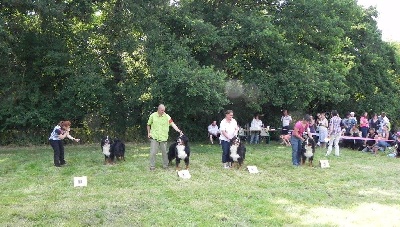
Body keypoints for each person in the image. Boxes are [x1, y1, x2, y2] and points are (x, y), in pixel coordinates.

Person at [147, 104, 183, 171]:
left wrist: (178, 130)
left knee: (164, 153)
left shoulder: (167, 116)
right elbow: (148, 124)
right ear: (158, 109)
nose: (163, 111)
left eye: (164, 110)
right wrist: (149, 133)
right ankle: (152, 166)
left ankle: (165, 165)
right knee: (153, 152)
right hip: (154, 137)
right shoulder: (152, 116)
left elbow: (173, 124)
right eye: (162, 110)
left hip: (163, 138)